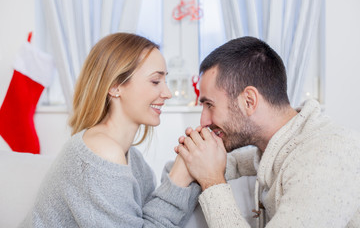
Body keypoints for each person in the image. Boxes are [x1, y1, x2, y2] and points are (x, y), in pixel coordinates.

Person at [176, 36, 360, 228]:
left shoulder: (327, 157)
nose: (203, 121)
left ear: (249, 101)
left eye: (209, 105)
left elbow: (217, 171)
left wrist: (211, 181)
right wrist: (193, 158)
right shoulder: (281, 147)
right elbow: (235, 164)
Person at [20, 33, 200, 227]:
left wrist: (189, 170)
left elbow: (154, 219)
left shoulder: (135, 162)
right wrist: (178, 177)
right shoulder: (102, 153)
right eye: (155, 81)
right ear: (115, 87)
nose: (167, 93)